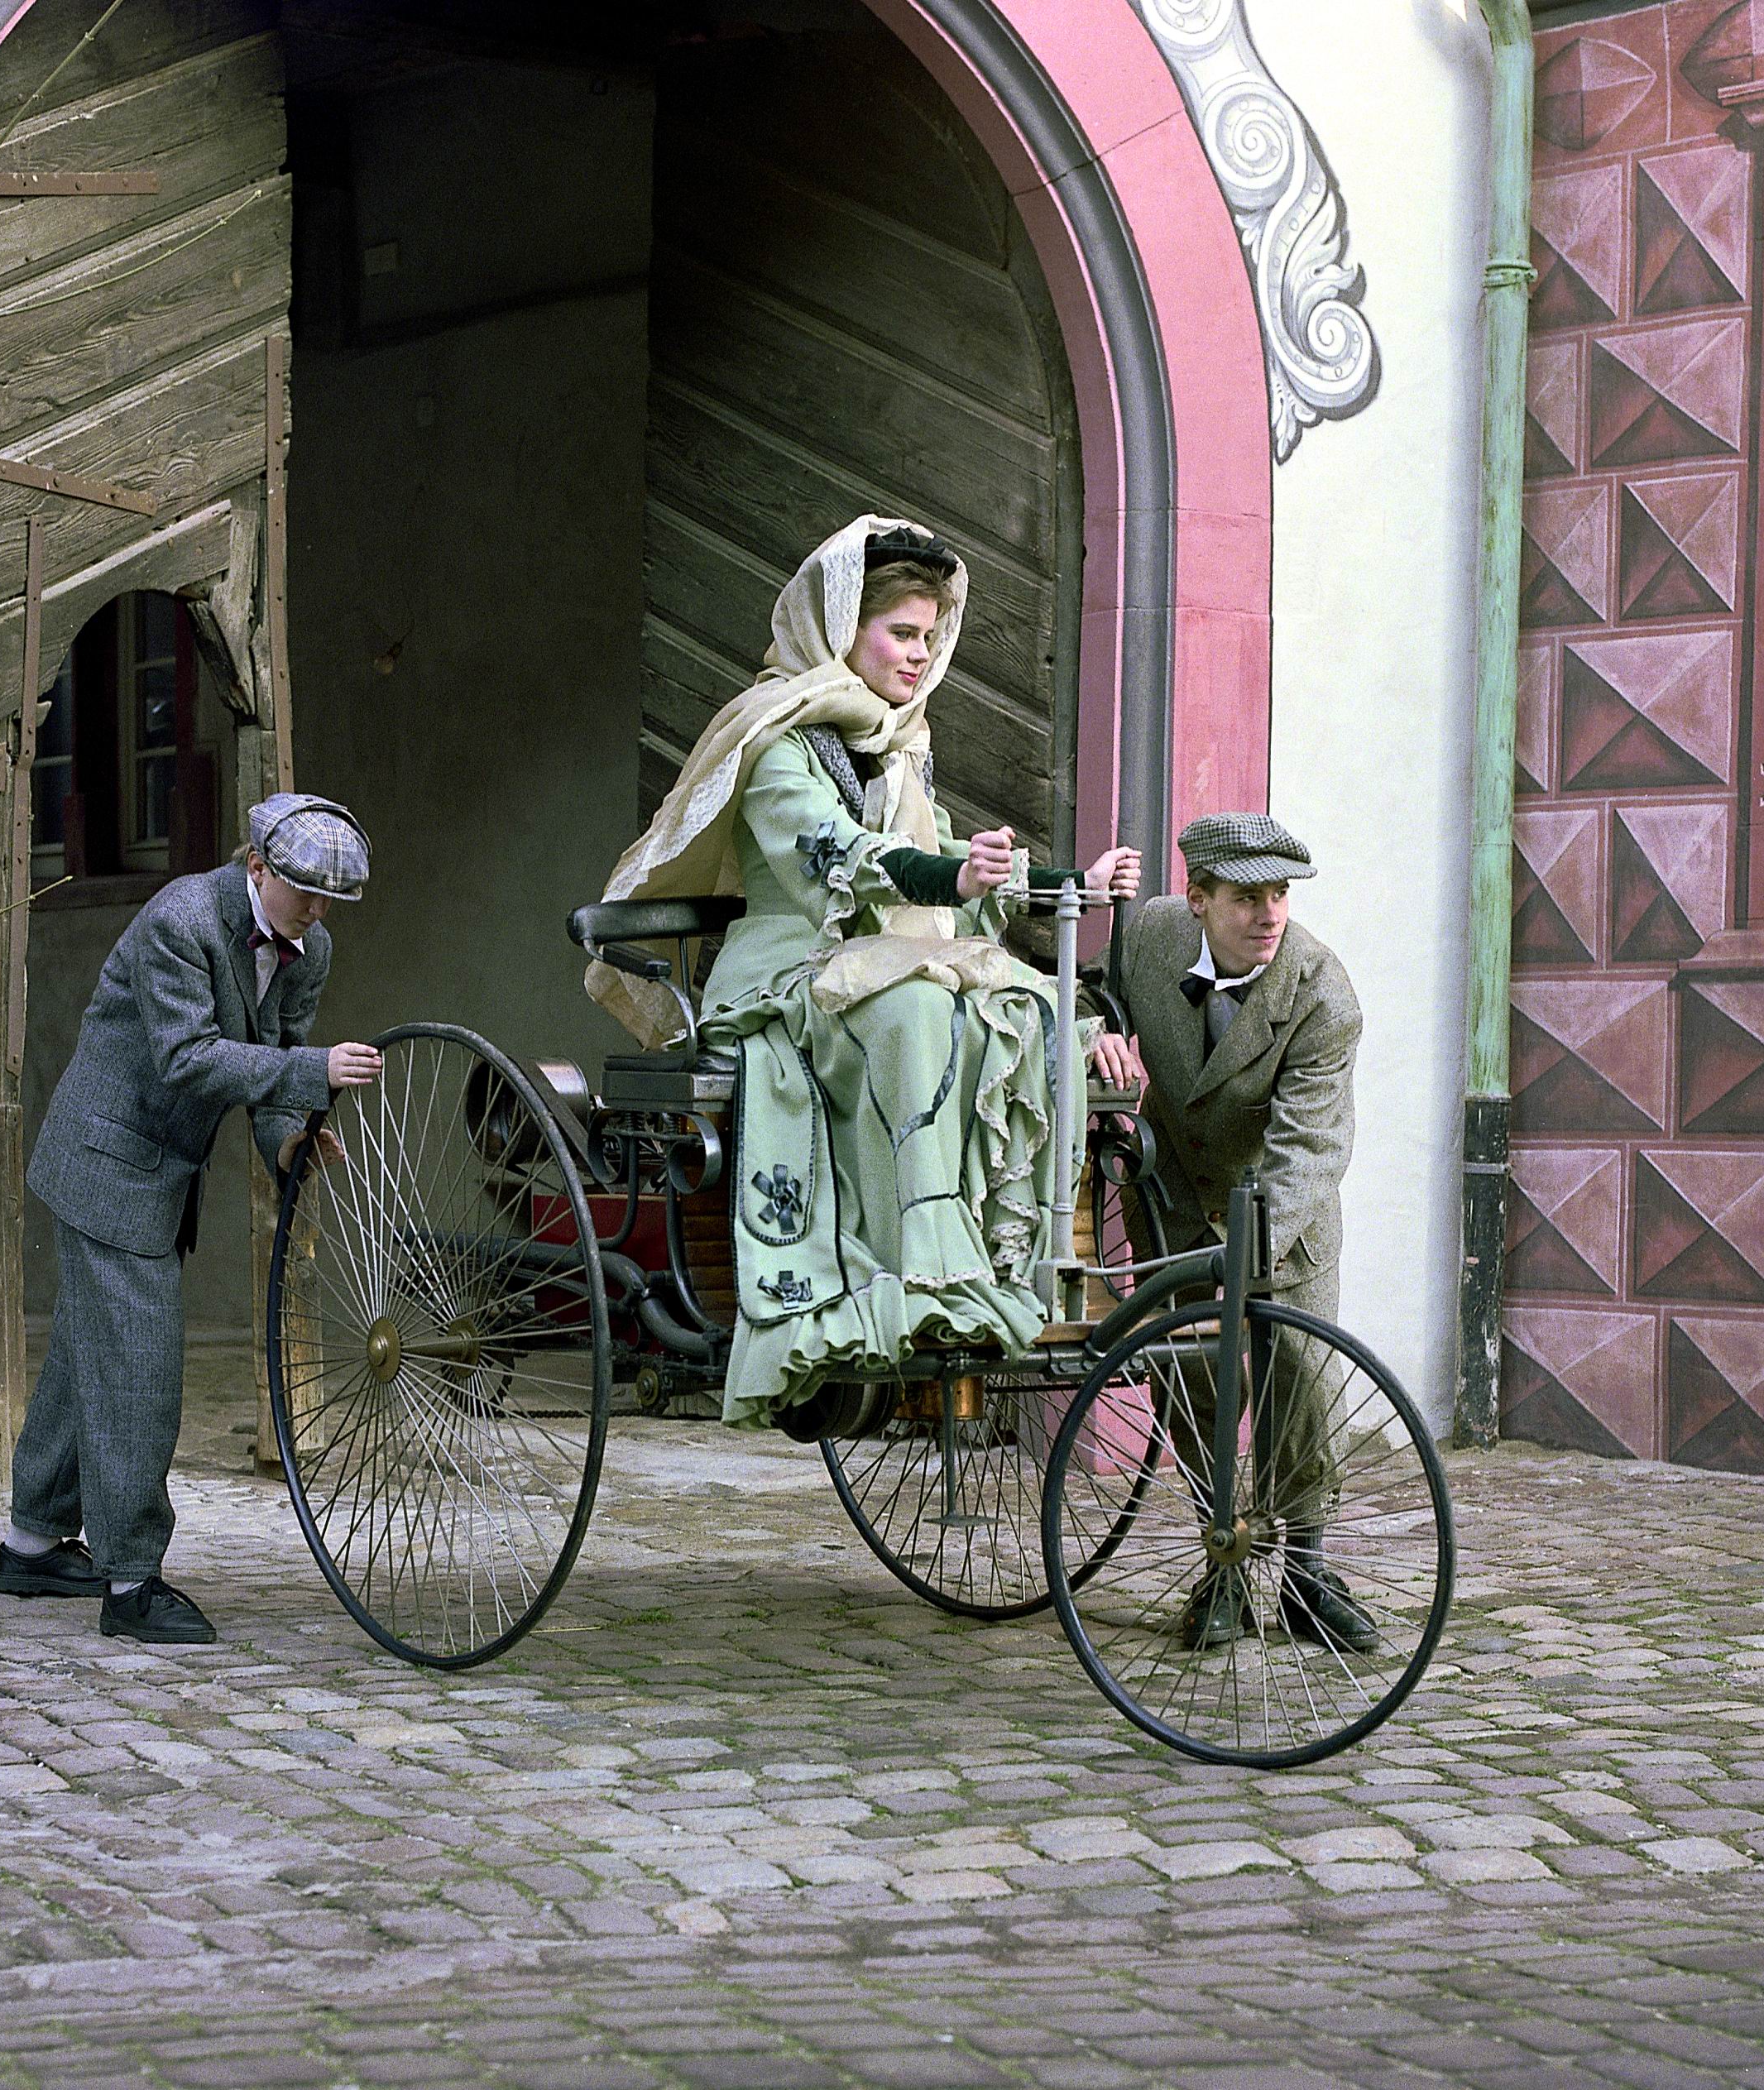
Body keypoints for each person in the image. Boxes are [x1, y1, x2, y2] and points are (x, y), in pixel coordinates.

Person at [588, 515, 1139, 1432]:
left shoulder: (899, 744)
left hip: (880, 965)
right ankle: (914, 1275)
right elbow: (835, 857)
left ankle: (1016, 1263)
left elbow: (940, 850)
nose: (921, 656)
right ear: (841, 627)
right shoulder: (776, 742)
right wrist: (946, 877)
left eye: (931, 637)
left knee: (1027, 1007)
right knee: (920, 1006)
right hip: (788, 974)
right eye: (902, 634)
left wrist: (1061, 881)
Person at [0, 793, 385, 1644]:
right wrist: (313, 1071)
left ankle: (28, 1543)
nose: (316, 915)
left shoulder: (305, 947)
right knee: (138, 1370)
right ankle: (132, 1583)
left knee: (86, 1352)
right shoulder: (180, 922)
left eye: (330, 902)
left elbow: (277, 1050)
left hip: (159, 1168)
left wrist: (288, 1144)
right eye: (304, 893)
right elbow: (189, 1058)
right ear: (256, 868)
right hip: (107, 1159)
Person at [1089, 812, 1378, 1653]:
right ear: (1198, 899)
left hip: (1279, 1209)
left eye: (1281, 895)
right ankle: (1221, 1568)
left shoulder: (1323, 994)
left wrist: (1243, 1261)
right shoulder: (1148, 936)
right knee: (1198, 1383)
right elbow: (1086, 986)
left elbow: (1310, 1150)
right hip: (1176, 1193)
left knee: (1299, 1374)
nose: (1270, 915)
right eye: (1247, 897)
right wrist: (1098, 1030)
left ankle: (1306, 1576)